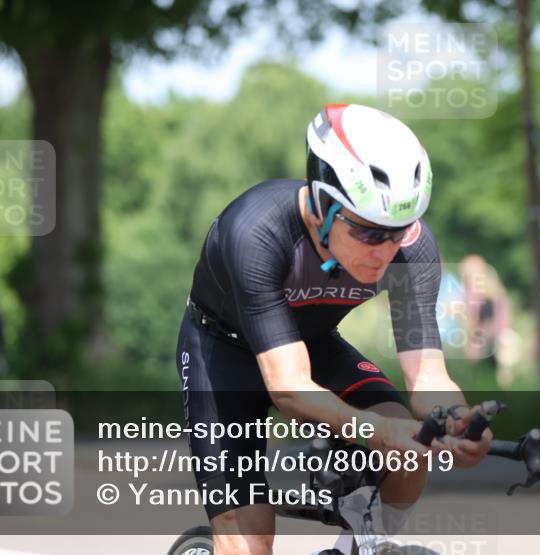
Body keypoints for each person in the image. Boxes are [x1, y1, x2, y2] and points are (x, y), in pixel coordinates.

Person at [177, 103, 491, 555]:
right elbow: (288, 389)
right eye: (367, 232)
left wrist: (457, 422)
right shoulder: (256, 232)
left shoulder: (412, 250)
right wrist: (374, 431)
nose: (385, 250)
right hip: (222, 352)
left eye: (398, 231)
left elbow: (428, 377)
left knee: (409, 450)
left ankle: (355, 548)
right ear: (324, 203)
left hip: (313, 344)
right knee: (250, 540)